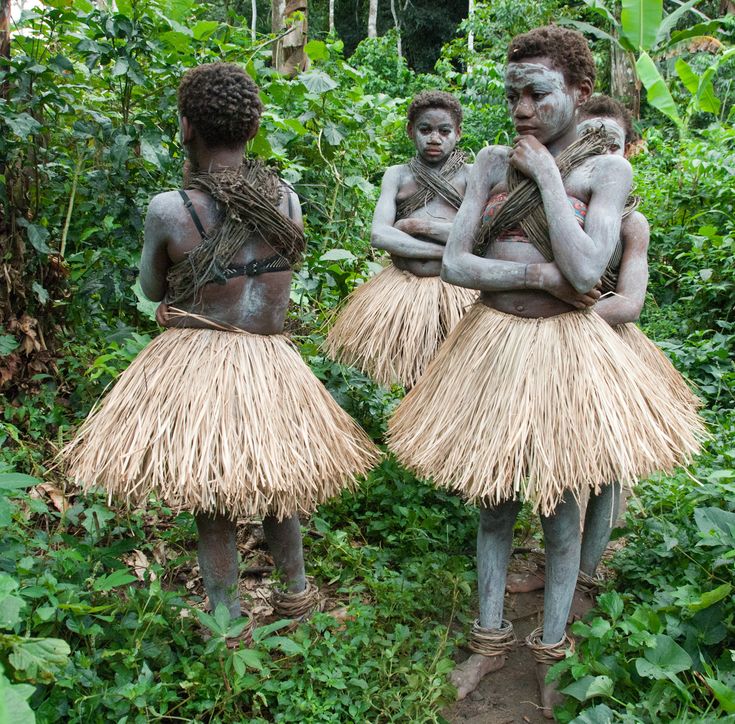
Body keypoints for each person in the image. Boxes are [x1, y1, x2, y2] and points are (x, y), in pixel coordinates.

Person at [387, 28, 703, 717]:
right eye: (512, 95)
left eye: (537, 93)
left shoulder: (604, 172)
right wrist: (536, 273)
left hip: (564, 353)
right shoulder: (489, 163)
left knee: (561, 512)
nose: (521, 107)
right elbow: (456, 265)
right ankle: (489, 641)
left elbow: (590, 270)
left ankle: (552, 649)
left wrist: (549, 177)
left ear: (579, 94)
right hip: (493, 346)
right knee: (493, 504)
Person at [63, 62, 379, 624]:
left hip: (203, 361)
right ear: (253, 128)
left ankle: (228, 621)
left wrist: (186, 293)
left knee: (213, 499)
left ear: (187, 126)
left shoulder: (171, 209)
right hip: (272, 360)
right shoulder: (286, 199)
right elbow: (281, 271)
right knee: (281, 487)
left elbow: (151, 287)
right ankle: (296, 595)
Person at [507, 95, 702, 595]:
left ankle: (585, 578)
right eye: (587, 138)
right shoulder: (551, 201)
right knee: (561, 460)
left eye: (609, 142)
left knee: (605, 472)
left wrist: (569, 314)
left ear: (626, 150)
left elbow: (629, 303)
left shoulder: (632, 223)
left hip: (608, 347)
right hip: (556, 346)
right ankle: (557, 569)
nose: (598, 150)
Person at [324, 91, 475, 389]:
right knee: (414, 374)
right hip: (404, 287)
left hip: (455, 291)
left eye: (444, 131)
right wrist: (446, 248)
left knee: (454, 372)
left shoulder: (471, 176)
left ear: (457, 133)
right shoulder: (397, 175)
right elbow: (380, 234)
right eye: (425, 130)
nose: (434, 138)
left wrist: (416, 225)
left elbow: (475, 236)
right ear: (410, 131)